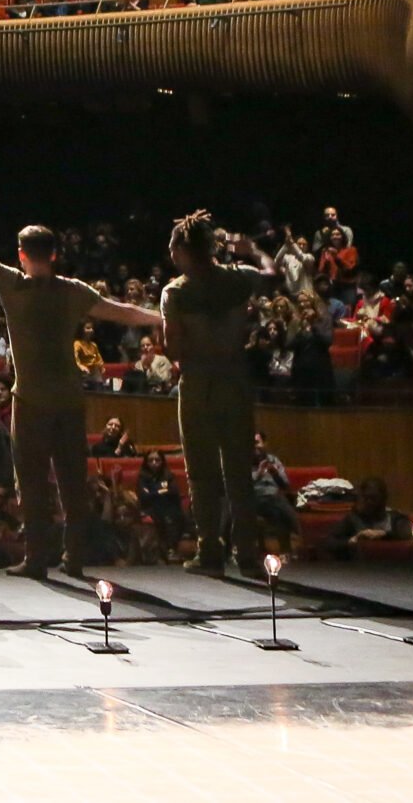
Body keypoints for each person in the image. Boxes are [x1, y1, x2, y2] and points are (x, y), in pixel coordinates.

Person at [0, 206, 161, 577]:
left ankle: (36, 559)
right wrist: (160, 317)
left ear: (21, 254)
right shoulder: (72, 291)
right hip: (68, 398)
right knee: (71, 482)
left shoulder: (12, 283)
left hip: (30, 401)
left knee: (31, 483)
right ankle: (74, 560)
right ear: (54, 254)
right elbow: (122, 311)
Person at [159, 210, 276, 574]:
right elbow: (275, 277)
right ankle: (248, 555)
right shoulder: (240, 279)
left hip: (197, 384)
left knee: (201, 471)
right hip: (235, 380)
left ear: (181, 250)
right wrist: (254, 250)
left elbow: (173, 349)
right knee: (239, 471)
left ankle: (209, 550)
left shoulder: (176, 291)